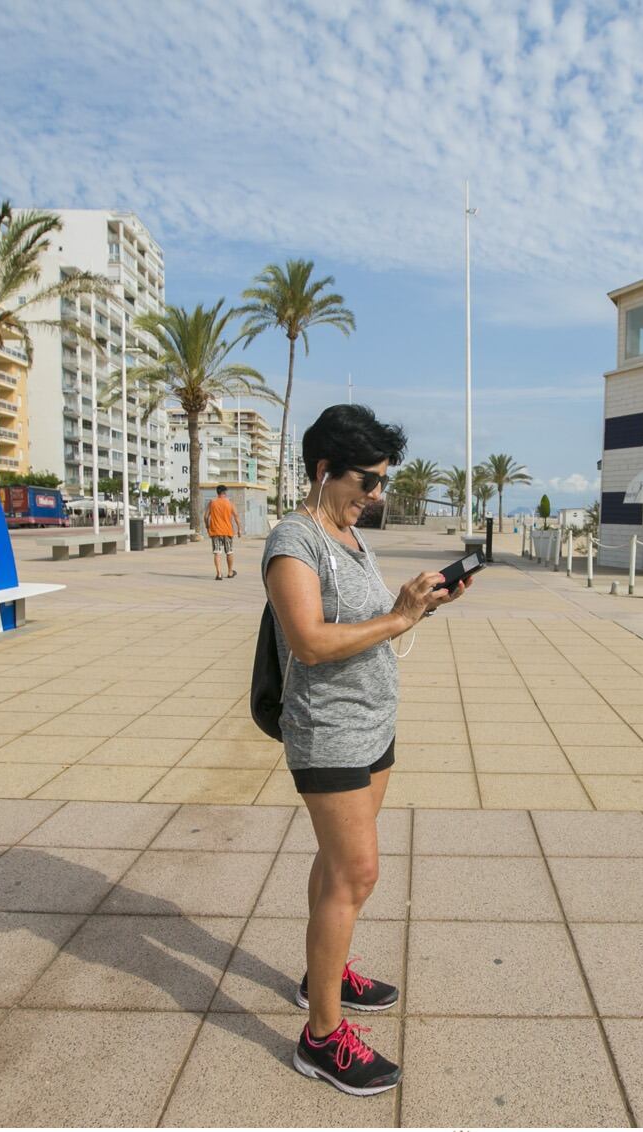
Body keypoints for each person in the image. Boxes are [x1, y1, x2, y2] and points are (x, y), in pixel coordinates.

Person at [262, 404, 470, 1096]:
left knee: (337, 867)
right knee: (357, 875)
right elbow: (311, 641)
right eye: (368, 481)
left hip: (371, 723)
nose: (376, 495)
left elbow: (368, 621)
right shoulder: (296, 541)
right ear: (324, 471)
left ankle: (325, 972)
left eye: (381, 482)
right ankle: (319, 1038)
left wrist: (422, 603)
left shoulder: (346, 535)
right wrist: (399, 616)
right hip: (328, 732)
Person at [206, 484, 241, 579]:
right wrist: (239, 529)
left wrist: (207, 527)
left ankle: (219, 574)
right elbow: (236, 516)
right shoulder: (230, 503)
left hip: (215, 531)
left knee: (217, 552)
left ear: (217, 492)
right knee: (229, 551)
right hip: (227, 531)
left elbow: (206, 517)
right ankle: (230, 572)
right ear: (225, 492)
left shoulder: (212, 502)